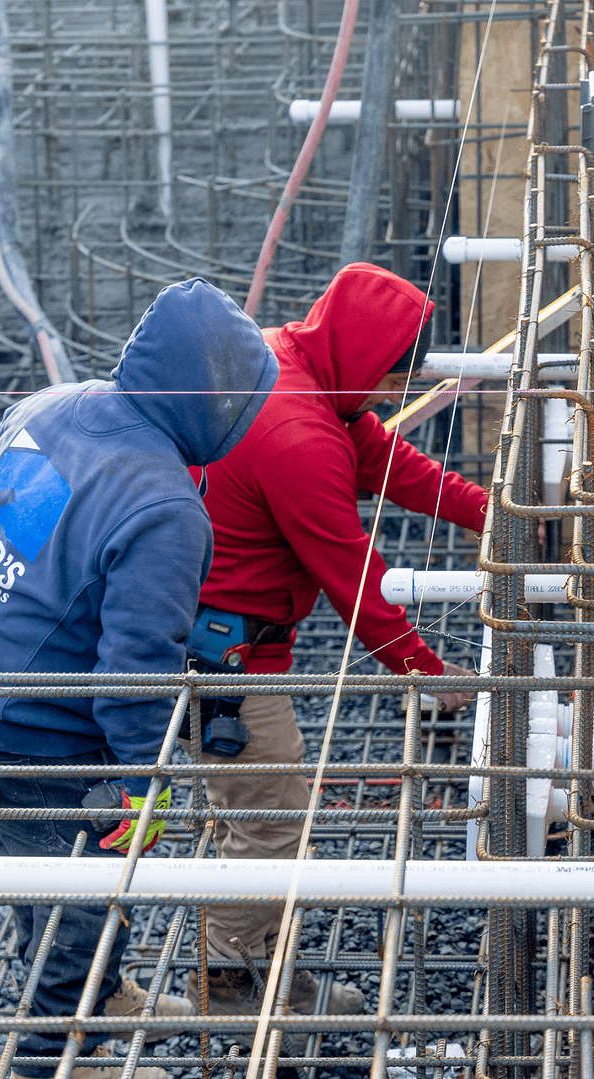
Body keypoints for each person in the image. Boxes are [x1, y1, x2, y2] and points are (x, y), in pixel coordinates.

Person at [181, 262, 488, 1021]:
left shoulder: (300, 363)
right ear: (361, 359)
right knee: (272, 819)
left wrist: (497, 514)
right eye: (392, 378)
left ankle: (265, 971)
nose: (393, 393)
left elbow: (388, 461)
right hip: (230, 661)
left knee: (249, 813)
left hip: (222, 635)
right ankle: (227, 984)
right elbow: (355, 574)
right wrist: (422, 668)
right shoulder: (297, 433)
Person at [0, 278, 278, 1079]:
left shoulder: (49, 406)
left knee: (38, 866)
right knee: (79, 887)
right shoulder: (164, 508)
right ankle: (51, 1059)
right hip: (42, 729)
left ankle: (103, 995)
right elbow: (133, 668)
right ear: (219, 402)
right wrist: (143, 780)